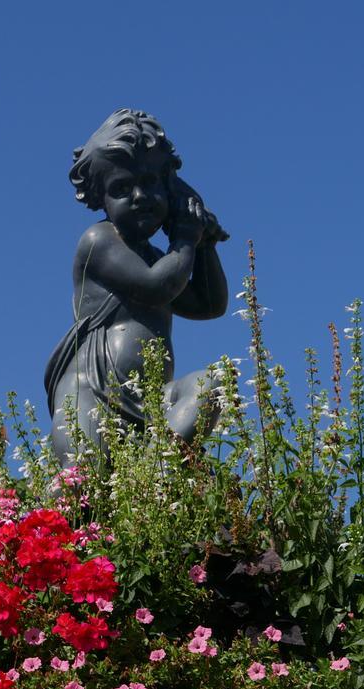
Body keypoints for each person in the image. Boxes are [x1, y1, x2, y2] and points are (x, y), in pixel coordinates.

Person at [45, 109, 228, 466]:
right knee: (85, 478)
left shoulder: (163, 258)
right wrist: (188, 237)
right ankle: (132, 487)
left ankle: (151, 477)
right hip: (92, 395)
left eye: (150, 182)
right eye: (121, 188)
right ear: (99, 197)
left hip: (151, 400)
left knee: (212, 385)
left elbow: (208, 304)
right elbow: (157, 287)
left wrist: (204, 245)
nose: (140, 196)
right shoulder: (100, 241)